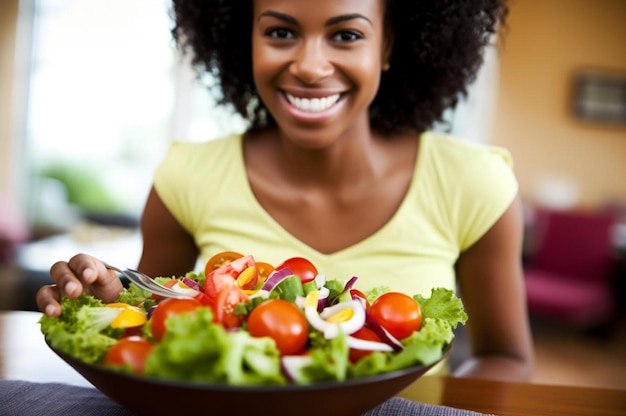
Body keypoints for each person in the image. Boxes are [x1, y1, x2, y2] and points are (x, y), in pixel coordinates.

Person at [37, 0, 534, 384]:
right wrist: (107, 306)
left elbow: (505, 359)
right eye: (280, 32)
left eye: (346, 34)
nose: (311, 66)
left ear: (386, 47)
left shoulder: (473, 183)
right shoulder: (185, 177)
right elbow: (150, 326)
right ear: (241, 40)